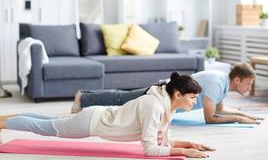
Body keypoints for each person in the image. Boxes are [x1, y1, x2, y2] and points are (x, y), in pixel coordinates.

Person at [0, 72, 215, 158]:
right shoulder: (155, 106)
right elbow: (149, 149)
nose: (195, 102)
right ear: (178, 94)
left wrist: (190, 145)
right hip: (91, 123)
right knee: (45, 128)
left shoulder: (167, 104)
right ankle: (3, 124)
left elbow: (163, 141)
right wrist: (187, 154)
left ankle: (6, 119)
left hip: (96, 116)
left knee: (48, 121)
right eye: (192, 97)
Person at [71, 63, 264, 124]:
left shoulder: (222, 82)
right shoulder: (216, 83)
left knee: (123, 97)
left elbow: (220, 109)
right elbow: (210, 117)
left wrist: (245, 115)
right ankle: (84, 97)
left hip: (166, 92)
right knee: (122, 99)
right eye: (247, 84)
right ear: (237, 80)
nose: (248, 89)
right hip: (161, 93)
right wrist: (238, 120)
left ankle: (86, 94)